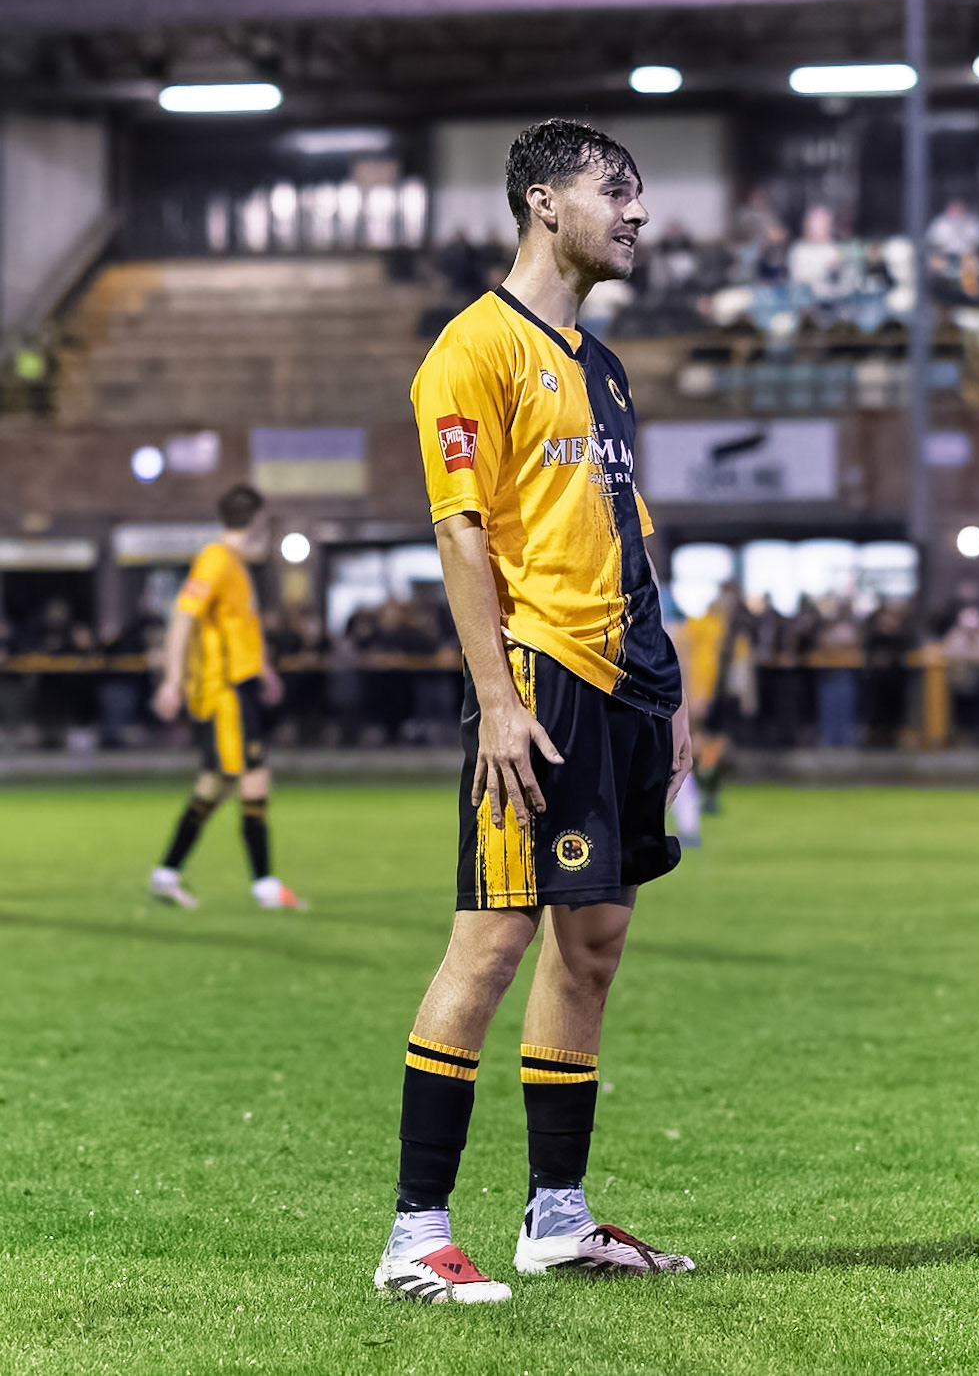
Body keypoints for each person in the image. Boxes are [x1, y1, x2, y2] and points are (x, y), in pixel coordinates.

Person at [374, 119, 695, 1306]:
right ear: (542, 200)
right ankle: (415, 1234)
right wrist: (497, 701)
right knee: (494, 936)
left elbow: (632, 531)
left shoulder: (599, 362)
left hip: (622, 686)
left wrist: (675, 698)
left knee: (595, 941)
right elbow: (460, 530)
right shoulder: (471, 349)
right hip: (536, 678)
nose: (638, 214)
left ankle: (556, 1217)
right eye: (618, 190)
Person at [148, 483, 304, 910]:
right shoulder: (216, 559)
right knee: (253, 776)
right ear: (256, 521)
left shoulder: (234, 563)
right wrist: (172, 681)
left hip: (243, 685)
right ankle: (266, 885)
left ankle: (166, 873)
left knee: (215, 784)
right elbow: (183, 618)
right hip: (226, 694)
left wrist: (265, 670)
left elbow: (238, 630)